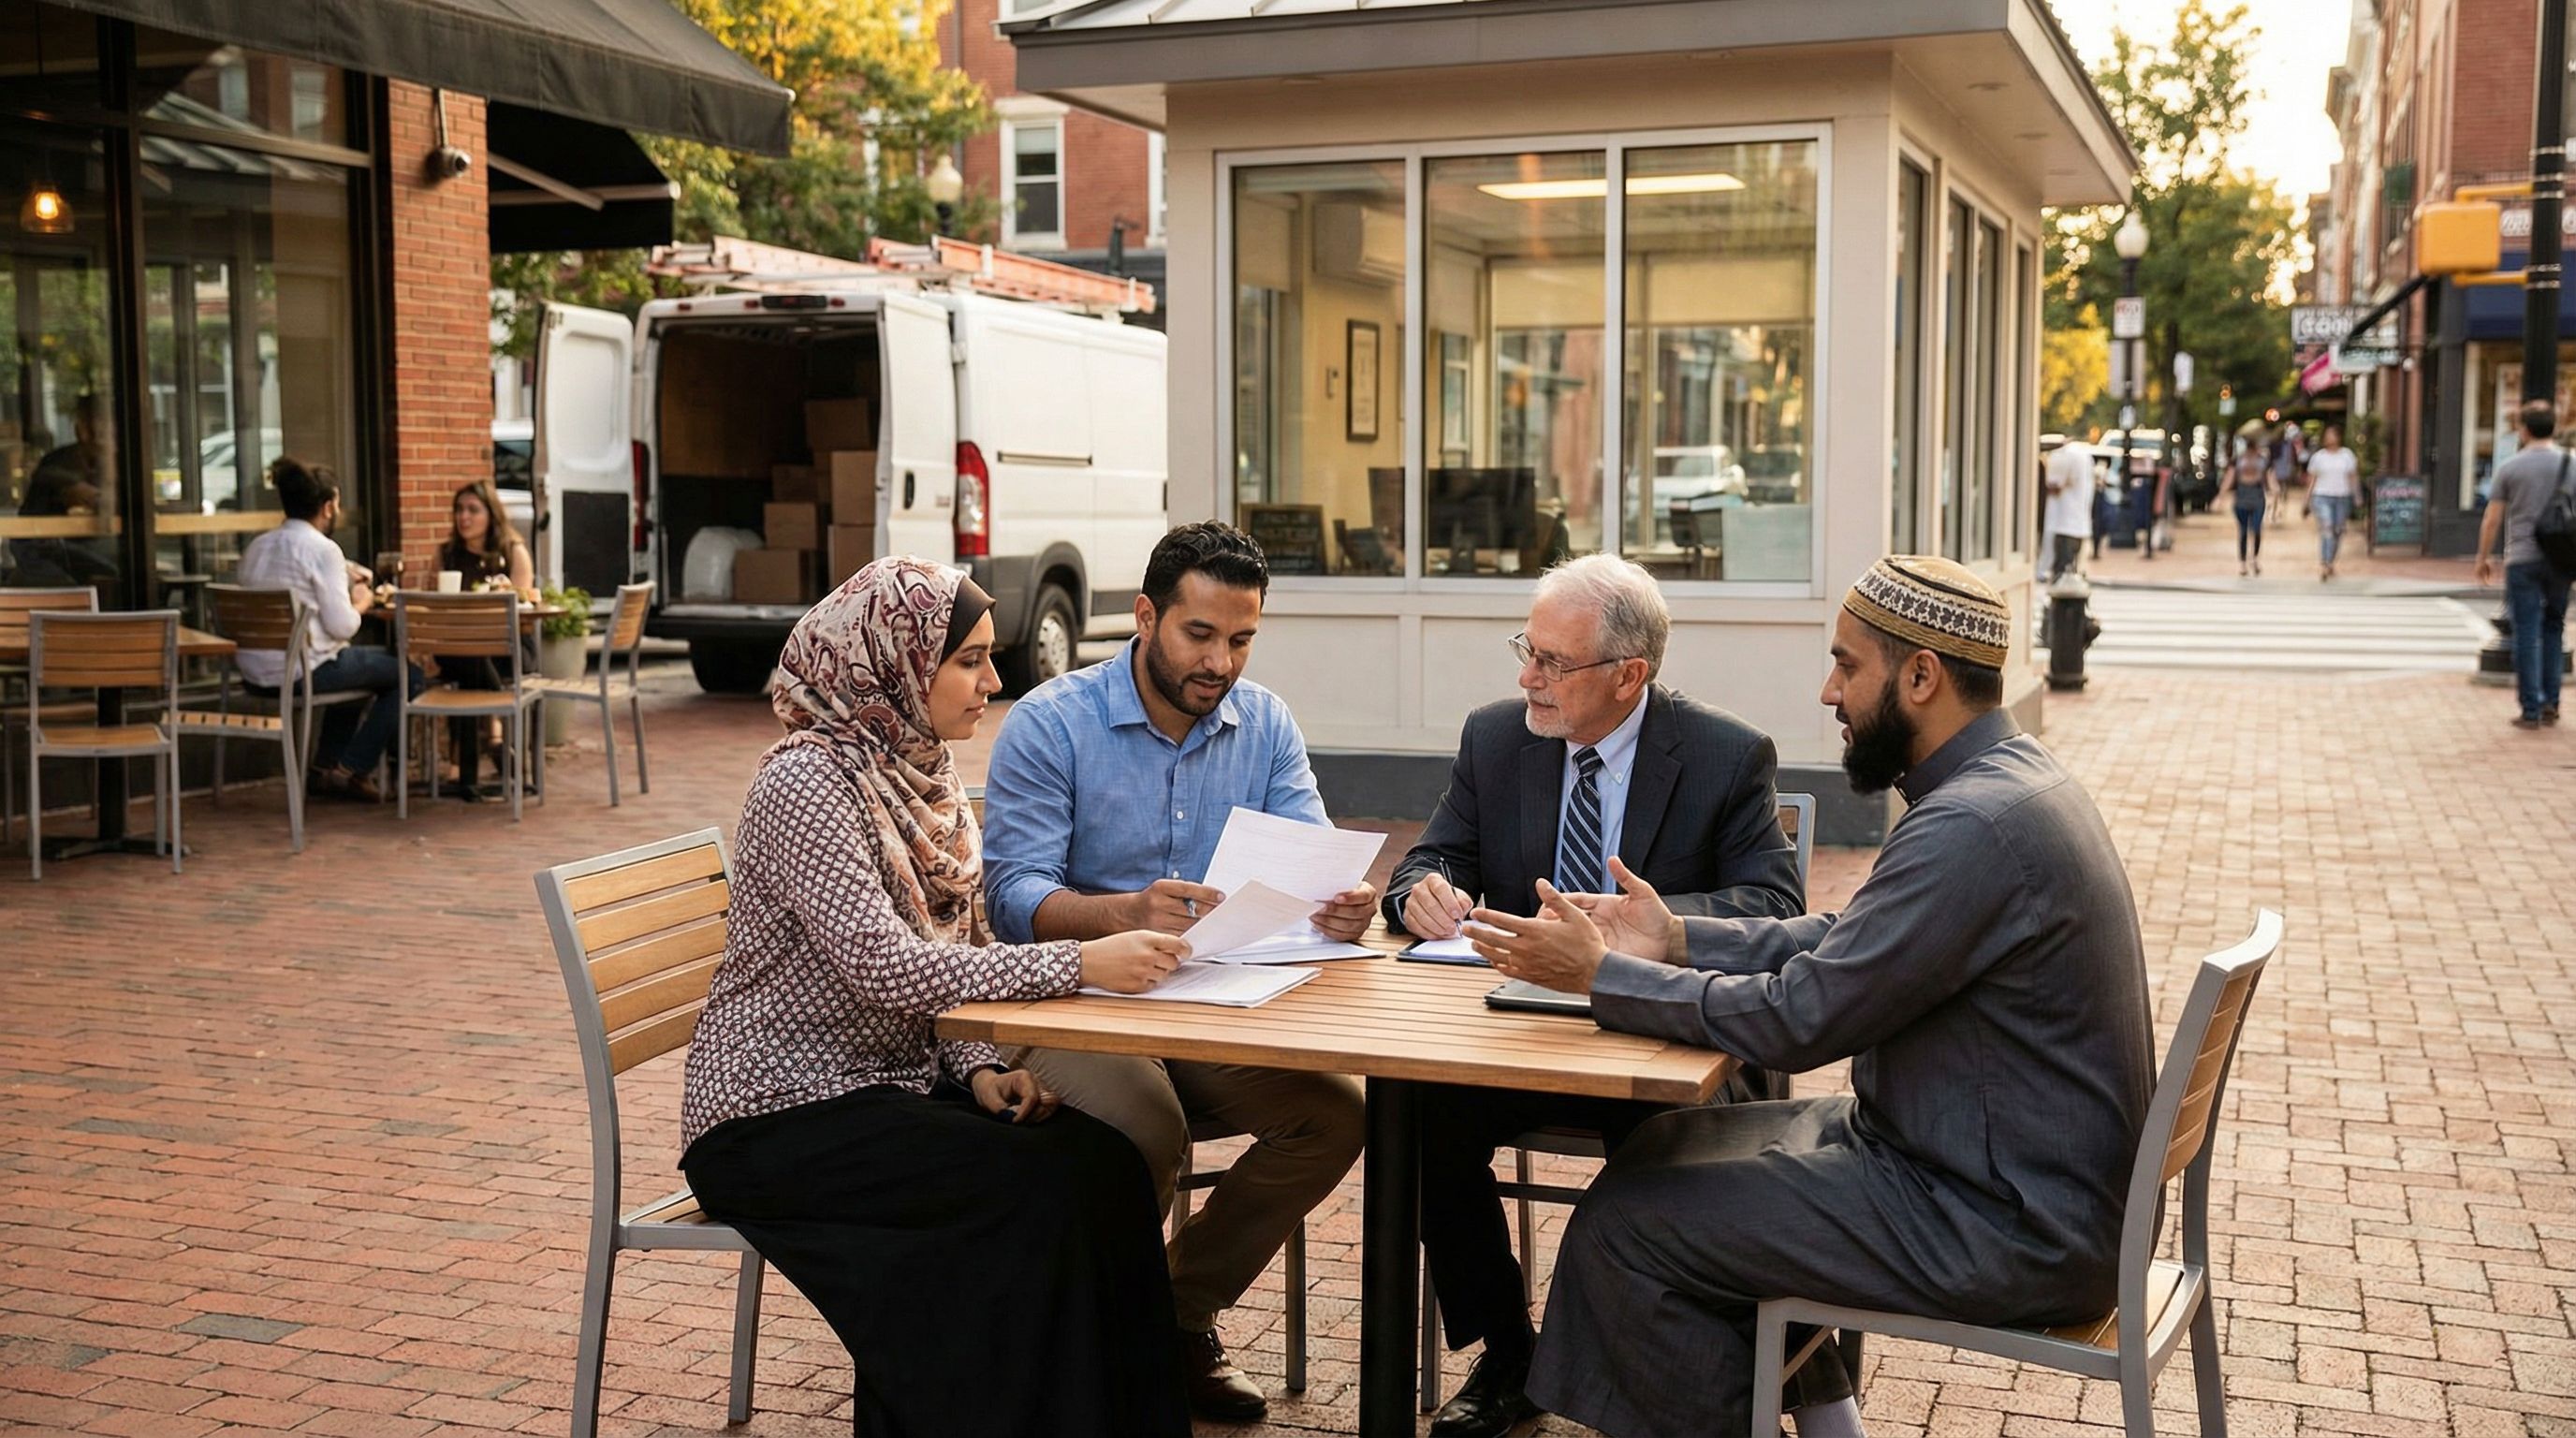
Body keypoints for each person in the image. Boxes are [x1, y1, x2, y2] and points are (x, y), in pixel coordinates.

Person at [1462, 555, 2154, 1438]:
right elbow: (1847, 941)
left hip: (2001, 1220)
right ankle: (1831, 1422)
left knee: (1630, 1228)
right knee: (1665, 1157)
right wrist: (1675, 936)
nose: (1830, 692)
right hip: (1998, 1179)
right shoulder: (2006, 787)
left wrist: (1600, 976)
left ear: (1921, 676)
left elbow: (1799, 1019)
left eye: (1847, 664)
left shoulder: (1971, 827)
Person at [679, 558, 1195, 1438]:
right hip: (775, 1115)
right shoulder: (806, 783)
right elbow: (886, 967)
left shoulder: (918, 773)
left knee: (1101, 1167)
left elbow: (954, 947)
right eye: (969, 661)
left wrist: (980, 1063)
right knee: (1030, 1195)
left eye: (991, 659)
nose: (994, 682)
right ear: (892, 660)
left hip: (887, 1089)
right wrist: (1078, 963)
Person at [1381, 552, 1806, 1438]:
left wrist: (1637, 926)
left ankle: (1658, 1375)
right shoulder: (1497, 737)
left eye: (1553, 662)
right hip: (1521, 1036)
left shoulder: (1726, 755)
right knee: (1411, 1117)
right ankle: (1511, 1355)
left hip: (1661, 1039)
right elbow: (1434, 855)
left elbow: (1775, 907)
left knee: (1662, 1153)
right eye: (1525, 650)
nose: (1527, 676)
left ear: (1630, 675)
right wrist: (1419, 891)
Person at [980, 521, 1369, 1422]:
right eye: (1201, 635)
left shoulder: (1265, 722)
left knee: (1335, 1113)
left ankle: (1168, 1321)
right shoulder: (1052, 722)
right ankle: (1102, 1352)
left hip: (1212, 1003)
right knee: (1149, 1129)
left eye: (1242, 640)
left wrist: (1337, 902)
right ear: (1147, 617)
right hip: (1069, 1002)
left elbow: (1309, 857)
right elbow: (1011, 897)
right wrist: (1123, 914)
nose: (1222, 662)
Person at [233, 458, 422, 802]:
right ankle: (352, 770)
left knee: (356, 667)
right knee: (408, 673)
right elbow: (343, 625)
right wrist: (362, 601)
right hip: (300, 673)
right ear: (328, 505)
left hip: (253, 672)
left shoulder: (256, 547)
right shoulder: (324, 549)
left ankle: (323, 770)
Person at [431, 479, 536, 789]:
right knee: (467, 657)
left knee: (470, 669)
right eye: (459, 510)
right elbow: (430, 604)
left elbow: (522, 607)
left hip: (508, 648)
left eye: (473, 510)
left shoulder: (513, 551)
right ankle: (496, 734)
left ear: (491, 514)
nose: (464, 517)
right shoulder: (446, 555)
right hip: (457, 649)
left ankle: (459, 768)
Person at [2475, 400, 2572, 729]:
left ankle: (2531, 708)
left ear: (2524, 430)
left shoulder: (2511, 467)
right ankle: (2551, 701)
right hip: (2562, 558)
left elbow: (2492, 518)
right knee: (2554, 627)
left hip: (2522, 557)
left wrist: (2483, 557)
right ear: (2554, 428)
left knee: (2526, 631)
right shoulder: (2572, 464)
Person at [11, 393, 116, 586]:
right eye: (106, 425)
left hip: (75, 551)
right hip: (44, 552)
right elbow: (94, 499)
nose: (112, 433)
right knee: (116, 572)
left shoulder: (102, 461)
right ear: (83, 429)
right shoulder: (60, 463)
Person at [2306, 425, 2361, 580]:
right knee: (2327, 528)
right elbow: (2312, 479)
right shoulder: (2319, 457)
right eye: (2327, 435)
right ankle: (2325, 563)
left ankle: (2330, 560)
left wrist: (2357, 496)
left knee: (2338, 530)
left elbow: (2353, 476)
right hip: (2322, 496)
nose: (2329, 438)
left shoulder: (2347, 455)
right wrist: (2307, 500)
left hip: (2342, 497)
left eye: (2332, 435)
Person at [2219, 435, 2278, 577]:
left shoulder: (2263, 461)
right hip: (2242, 496)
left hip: (2257, 496)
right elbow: (2229, 477)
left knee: (2256, 529)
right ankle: (2243, 562)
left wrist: (2274, 492)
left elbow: (2270, 478)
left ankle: (2255, 558)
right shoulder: (2238, 461)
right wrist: (2221, 495)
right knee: (2244, 531)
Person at [2041, 436, 2094, 581]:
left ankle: (2059, 599)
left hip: (2063, 524)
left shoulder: (2065, 455)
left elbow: (2055, 486)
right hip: (2080, 525)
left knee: (2061, 571)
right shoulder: (2084, 456)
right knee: (2073, 571)